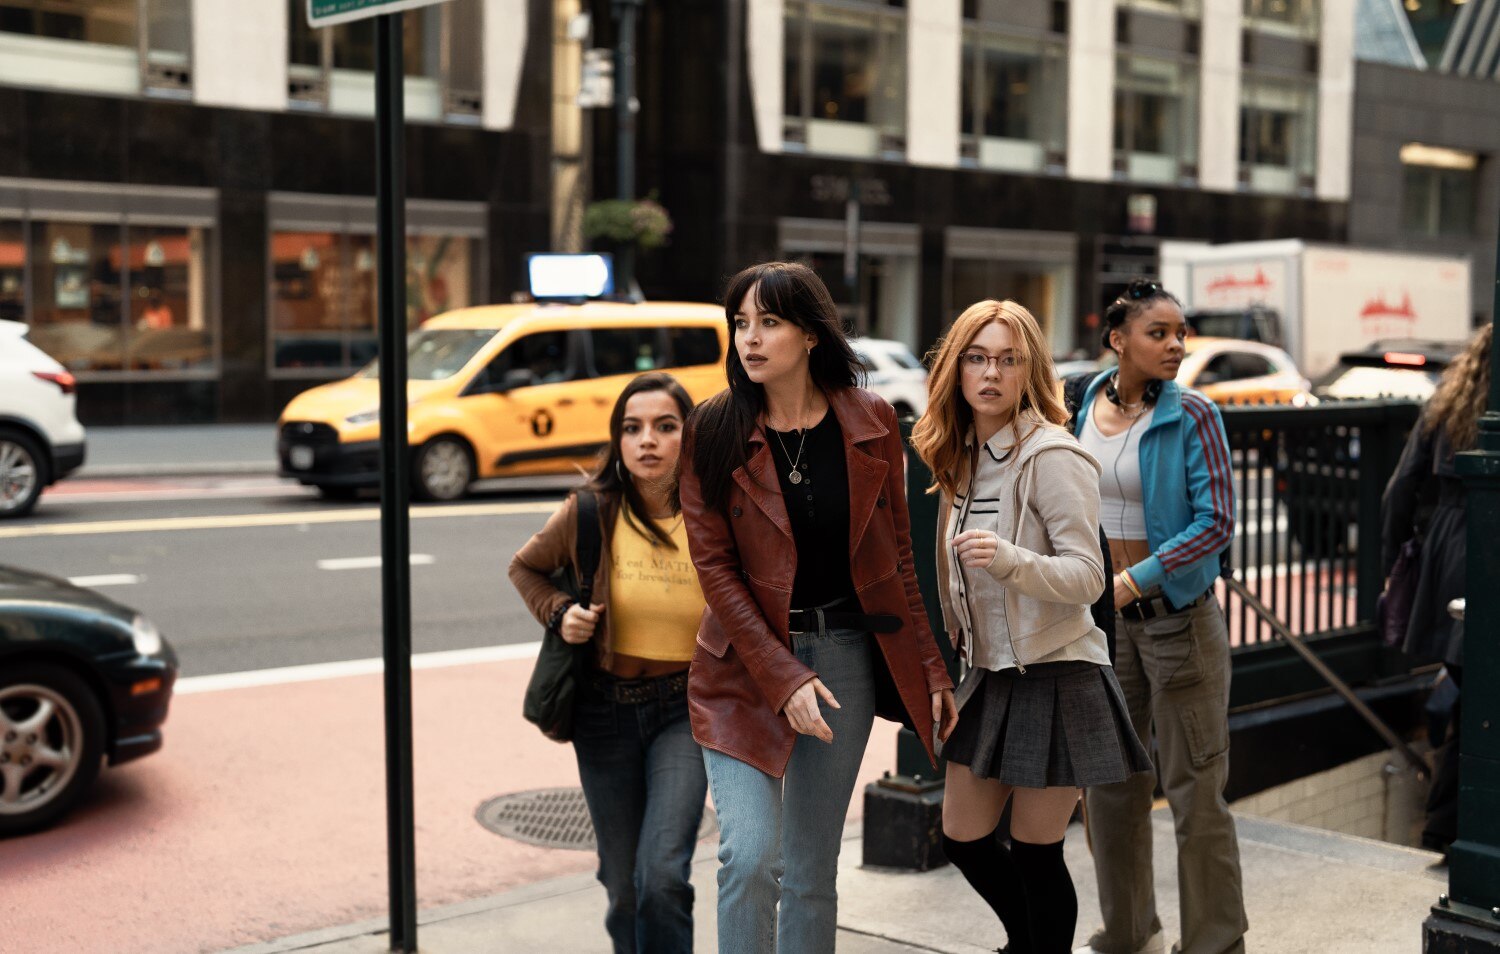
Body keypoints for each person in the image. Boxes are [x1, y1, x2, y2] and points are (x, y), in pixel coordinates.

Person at [679, 261, 958, 954]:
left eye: (768, 322)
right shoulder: (712, 429)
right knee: (749, 859)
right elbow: (714, 570)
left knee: (809, 870)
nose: (750, 338)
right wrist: (782, 677)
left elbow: (898, 561)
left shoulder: (868, 420)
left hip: (844, 663)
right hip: (742, 671)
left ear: (809, 333)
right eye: (740, 323)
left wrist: (931, 668)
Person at [913, 299, 1152, 954]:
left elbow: (1087, 577)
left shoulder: (1054, 455)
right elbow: (949, 566)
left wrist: (1010, 560)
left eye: (1008, 359)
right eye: (977, 357)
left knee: (1037, 851)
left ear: (1031, 371)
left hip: (1059, 672)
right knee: (963, 837)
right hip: (991, 674)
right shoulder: (961, 457)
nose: (991, 373)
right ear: (956, 369)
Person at [1073, 279, 1245, 954]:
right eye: (1159, 333)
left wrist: (1132, 579)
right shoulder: (1085, 400)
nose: (1176, 345)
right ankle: (1128, 931)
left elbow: (1216, 523)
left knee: (1196, 794)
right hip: (1106, 626)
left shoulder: (1194, 414)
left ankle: (1214, 942)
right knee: (1110, 788)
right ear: (1118, 340)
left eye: (1181, 333)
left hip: (1178, 621)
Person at [509, 372, 706, 954]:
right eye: (632, 428)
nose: (647, 440)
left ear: (688, 437)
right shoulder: (590, 512)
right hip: (604, 714)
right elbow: (525, 568)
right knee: (622, 888)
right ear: (617, 440)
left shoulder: (715, 516)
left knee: (663, 879)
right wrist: (560, 611)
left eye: (665, 427)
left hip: (685, 714)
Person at [1382, 323, 1491, 856]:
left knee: (1472, 698)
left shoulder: (1451, 401)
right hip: (1481, 553)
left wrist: (1393, 566)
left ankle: (1445, 831)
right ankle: (1452, 833)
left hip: (1449, 557)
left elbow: (1400, 489)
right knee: (1478, 703)